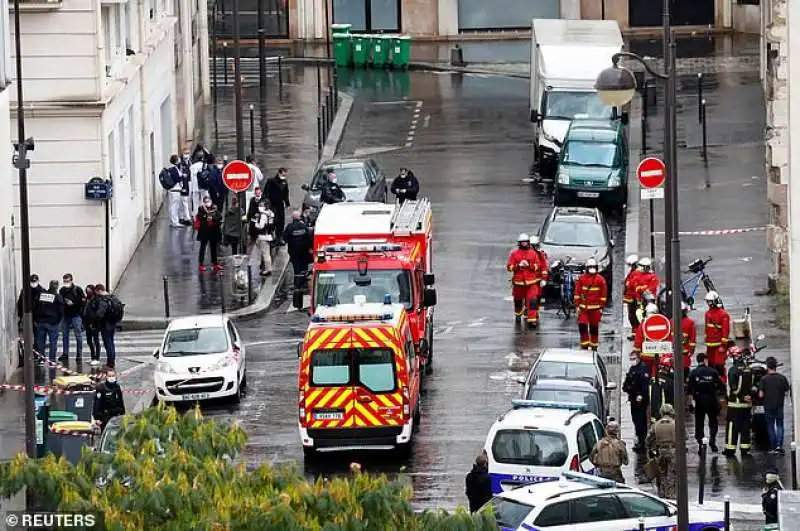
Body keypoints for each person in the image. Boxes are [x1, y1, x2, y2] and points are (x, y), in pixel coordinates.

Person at [687, 352, 723, 453]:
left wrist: (690, 404)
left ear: (698, 361)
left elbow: (689, 390)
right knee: (713, 422)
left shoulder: (693, 373)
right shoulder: (713, 371)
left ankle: (702, 443)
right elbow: (720, 386)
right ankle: (712, 440)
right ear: (705, 360)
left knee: (699, 423)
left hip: (699, 400)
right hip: (711, 399)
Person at [506, 233, 541, 326]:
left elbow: (538, 266)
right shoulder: (514, 254)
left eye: (526, 242)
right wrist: (518, 266)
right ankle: (518, 315)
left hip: (531, 283)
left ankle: (532, 320)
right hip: (518, 283)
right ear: (519, 243)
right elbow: (509, 267)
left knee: (533, 301)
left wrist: (529, 265)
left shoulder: (533, 253)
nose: (524, 244)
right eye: (522, 242)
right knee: (518, 300)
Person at [84, 284, 124, 369]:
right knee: (111, 342)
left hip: (105, 324)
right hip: (113, 323)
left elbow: (99, 315)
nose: (96, 295)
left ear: (99, 291)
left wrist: (94, 324)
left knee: (108, 343)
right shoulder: (114, 298)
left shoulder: (103, 301)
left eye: (96, 292)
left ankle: (110, 364)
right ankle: (111, 362)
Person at [724, 346, 753, 457]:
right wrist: (749, 397)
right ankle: (745, 449)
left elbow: (734, 388)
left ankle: (730, 449)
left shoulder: (733, 370)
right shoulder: (748, 368)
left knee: (732, 428)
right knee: (745, 427)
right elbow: (753, 385)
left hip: (734, 405)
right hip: (747, 405)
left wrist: (741, 397)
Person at [759, 356, 790, 454]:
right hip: (779, 405)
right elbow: (786, 391)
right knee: (780, 425)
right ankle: (779, 447)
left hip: (768, 406)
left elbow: (761, 395)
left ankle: (772, 447)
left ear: (767, 366)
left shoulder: (764, 379)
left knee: (771, 425)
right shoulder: (782, 378)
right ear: (776, 366)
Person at [574, 258, 607, 350]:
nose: (592, 268)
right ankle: (584, 345)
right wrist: (577, 305)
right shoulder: (582, 278)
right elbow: (577, 292)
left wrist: (601, 307)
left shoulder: (600, 280)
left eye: (593, 267)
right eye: (590, 267)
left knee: (594, 329)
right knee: (582, 326)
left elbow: (603, 295)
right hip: (583, 308)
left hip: (595, 309)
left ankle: (594, 347)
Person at [646, 403, 677, 499]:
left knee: (661, 473)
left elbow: (648, 439)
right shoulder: (675, 423)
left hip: (660, 451)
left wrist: (651, 448)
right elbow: (685, 437)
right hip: (673, 451)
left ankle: (662, 492)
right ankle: (671, 493)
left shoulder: (656, 424)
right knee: (672, 473)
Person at [623, 351, 650, 451]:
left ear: (638, 358)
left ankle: (642, 441)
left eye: (634, 358)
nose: (632, 361)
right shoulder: (632, 369)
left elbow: (645, 385)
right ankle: (640, 439)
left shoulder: (643, 368)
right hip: (633, 399)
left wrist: (641, 395)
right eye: (631, 359)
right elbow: (627, 383)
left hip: (640, 400)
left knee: (640, 421)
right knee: (635, 419)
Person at [633, 303, 669, 376]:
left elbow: (638, 341)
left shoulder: (643, 324)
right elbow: (667, 339)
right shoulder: (662, 323)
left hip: (645, 357)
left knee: (646, 378)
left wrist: (637, 353)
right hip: (659, 357)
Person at [34, 280, 64, 361]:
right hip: (53, 323)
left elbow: (35, 307)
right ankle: (52, 361)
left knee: (41, 342)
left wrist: (36, 320)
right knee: (53, 342)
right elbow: (61, 311)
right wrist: (58, 321)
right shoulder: (58, 297)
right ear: (57, 287)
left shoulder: (41, 295)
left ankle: (41, 359)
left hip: (41, 322)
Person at [704, 290, 731, 382]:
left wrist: (723, 345)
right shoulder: (707, 314)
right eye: (708, 301)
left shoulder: (724, 314)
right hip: (710, 345)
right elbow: (707, 329)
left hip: (719, 345)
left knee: (719, 366)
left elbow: (725, 331)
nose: (709, 303)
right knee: (710, 365)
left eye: (710, 301)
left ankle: (722, 383)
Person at [59, 273, 85, 362]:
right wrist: (64, 302)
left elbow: (83, 302)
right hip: (66, 315)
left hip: (76, 315)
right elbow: (60, 300)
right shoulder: (62, 290)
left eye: (67, 281)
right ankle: (65, 353)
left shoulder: (77, 289)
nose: (66, 283)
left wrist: (73, 302)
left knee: (78, 334)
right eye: (64, 281)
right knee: (64, 335)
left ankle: (79, 354)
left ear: (71, 280)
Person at [283, 210, 313, 288]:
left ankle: (297, 284)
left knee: (296, 268)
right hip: (304, 251)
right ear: (299, 217)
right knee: (304, 266)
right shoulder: (304, 227)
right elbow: (309, 238)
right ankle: (304, 282)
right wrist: (310, 248)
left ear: (293, 218)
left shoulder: (290, 227)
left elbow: (285, 238)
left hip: (294, 251)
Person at [195, 197, 223, 273]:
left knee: (213, 248)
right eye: (206, 202)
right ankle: (201, 264)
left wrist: (212, 218)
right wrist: (206, 216)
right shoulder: (201, 209)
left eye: (208, 201)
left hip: (213, 232)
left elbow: (219, 217)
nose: (207, 203)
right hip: (204, 232)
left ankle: (214, 263)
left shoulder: (215, 208)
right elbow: (200, 217)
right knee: (203, 248)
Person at [249, 198, 274, 276]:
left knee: (265, 253)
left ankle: (268, 269)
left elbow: (261, 226)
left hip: (263, 237)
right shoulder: (270, 213)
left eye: (261, 205)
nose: (259, 206)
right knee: (266, 253)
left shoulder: (263, 215)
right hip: (268, 235)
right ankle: (264, 267)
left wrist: (256, 223)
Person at [266, 167, 290, 244]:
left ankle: (279, 237)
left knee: (281, 222)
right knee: (273, 221)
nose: (284, 176)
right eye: (283, 174)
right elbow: (266, 192)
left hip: (280, 205)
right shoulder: (271, 181)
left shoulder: (284, 182)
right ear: (279, 173)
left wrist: (287, 203)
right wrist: (266, 203)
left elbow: (286, 193)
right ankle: (271, 236)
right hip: (272, 205)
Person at [649, 355, 675, 420]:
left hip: (654, 413)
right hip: (665, 413)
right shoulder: (670, 382)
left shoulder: (652, 379)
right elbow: (672, 399)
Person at [167, 154, 190, 227]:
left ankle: (172, 221)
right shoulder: (174, 169)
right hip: (175, 190)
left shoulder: (172, 168)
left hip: (173, 190)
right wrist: (182, 177)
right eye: (178, 159)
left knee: (172, 206)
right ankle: (175, 222)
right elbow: (177, 178)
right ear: (176, 161)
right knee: (174, 206)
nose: (180, 160)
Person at [623, 254, 641, 338]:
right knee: (632, 316)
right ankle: (635, 334)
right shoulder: (632, 272)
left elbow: (633, 285)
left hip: (634, 299)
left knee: (634, 317)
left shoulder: (637, 273)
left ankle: (637, 334)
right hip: (630, 298)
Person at [83, 285, 101, 362]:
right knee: (89, 341)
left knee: (96, 340)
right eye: (87, 291)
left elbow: (97, 313)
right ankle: (92, 357)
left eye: (89, 291)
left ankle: (96, 358)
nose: (88, 293)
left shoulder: (96, 300)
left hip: (94, 323)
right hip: (87, 322)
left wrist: (93, 322)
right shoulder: (87, 299)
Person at [680, 302, 697, 381]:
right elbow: (692, 339)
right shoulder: (690, 322)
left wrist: (691, 350)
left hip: (684, 353)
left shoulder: (671, 321)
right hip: (683, 353)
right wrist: (691, 350)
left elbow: (692, 338)